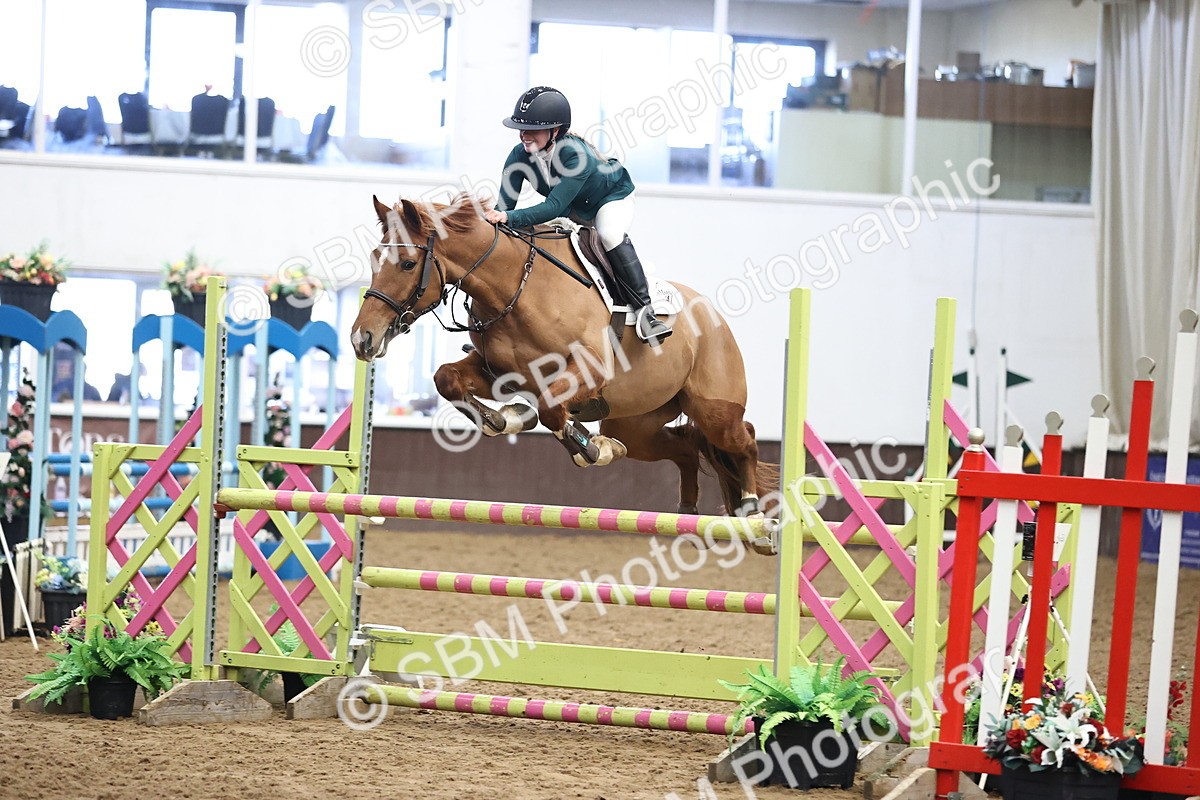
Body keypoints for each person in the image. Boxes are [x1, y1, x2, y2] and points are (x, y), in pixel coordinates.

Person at [484, 86, 672, 344]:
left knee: (609, 233)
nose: (524, 136)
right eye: (521, 128)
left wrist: (509, 218)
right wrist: (493, 220)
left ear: (555, 131)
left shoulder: (575, 155)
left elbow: (554, 208)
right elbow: (505, 205)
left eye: (532, 129)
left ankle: (645, 312)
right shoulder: (519, 156)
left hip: (610, 200)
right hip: (574, 207)